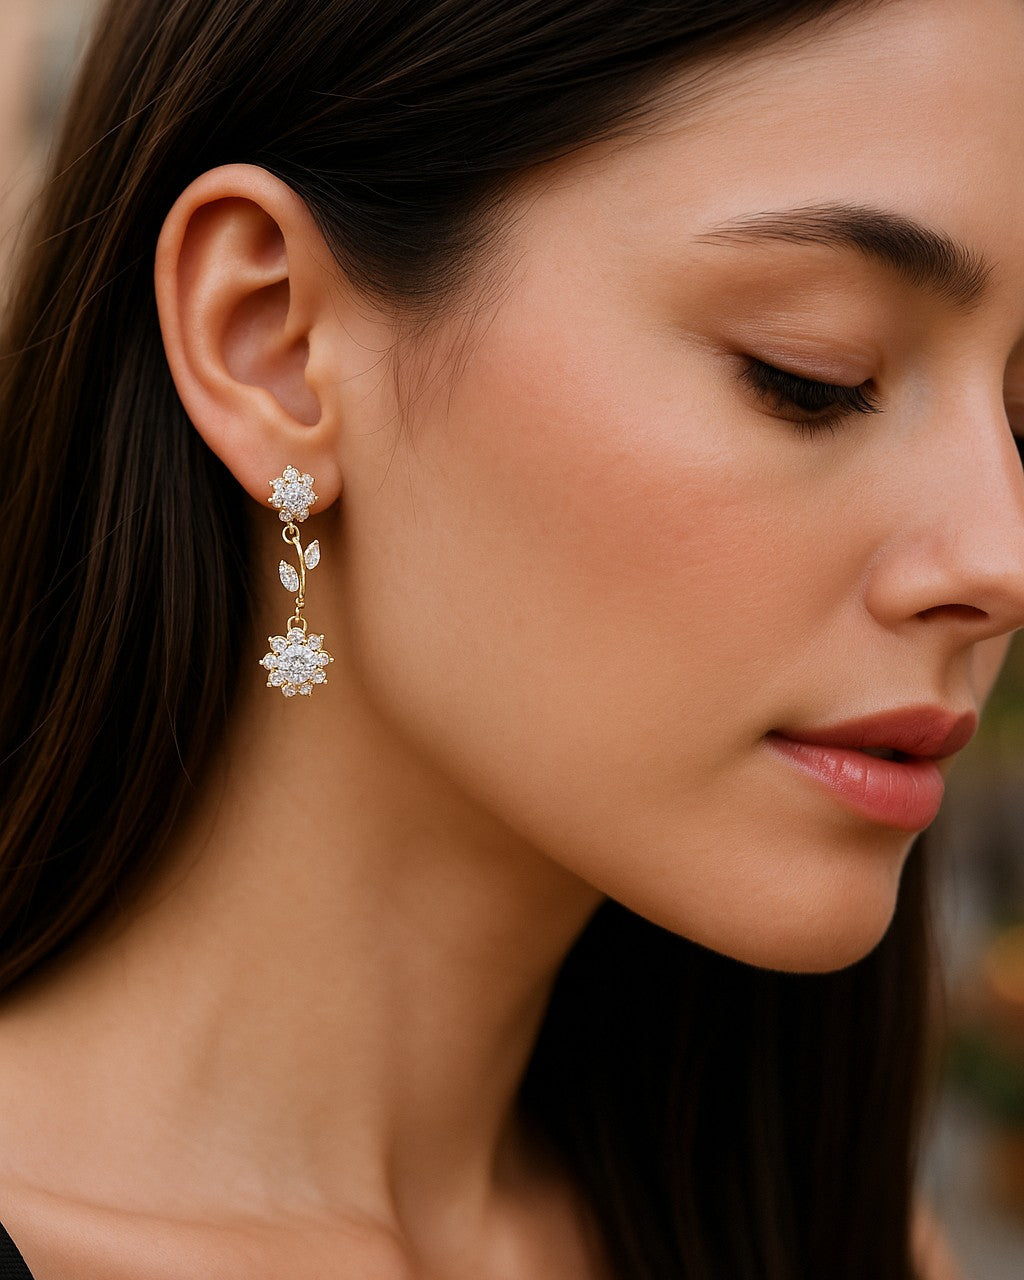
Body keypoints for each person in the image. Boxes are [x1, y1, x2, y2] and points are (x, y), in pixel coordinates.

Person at [0, 0, 1021, 1274]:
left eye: (1022, 416)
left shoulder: (842, 1244)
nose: (998, 558)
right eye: (810, 373)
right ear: (274, 344)